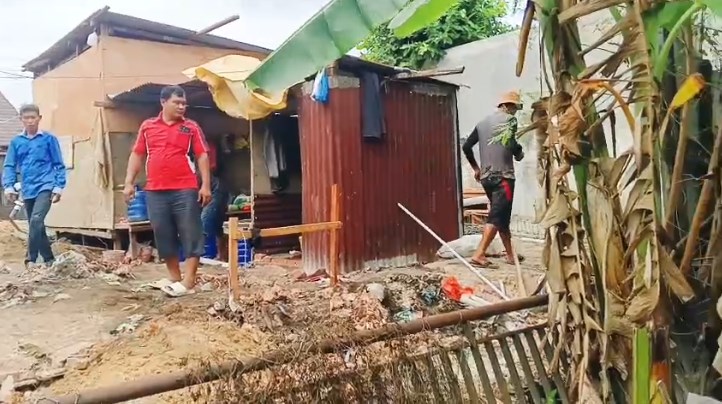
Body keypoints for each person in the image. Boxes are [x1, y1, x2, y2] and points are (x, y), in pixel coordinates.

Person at [123, 85, 212, 297]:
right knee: (163, 232)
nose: (182, 107)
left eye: (184, 104)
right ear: (163, 102)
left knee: (190, 232)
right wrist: (128, 183)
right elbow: (137, 154)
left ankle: (189, 280)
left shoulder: (190, 127)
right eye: (177, 103)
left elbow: (202, 155)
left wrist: (205, 185)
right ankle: (174, 276)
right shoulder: (148, 126)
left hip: (185, 188)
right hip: (155, 190)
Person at [461, 91, 525, 268]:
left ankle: (510, 255)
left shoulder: (482, 123)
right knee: (497, 215)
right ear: (508, 106)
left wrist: (476, 168)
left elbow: (466, 147)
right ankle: (479, 254)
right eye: (514, 107)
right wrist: (519, 153)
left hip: (486, 177)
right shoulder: (510, 120)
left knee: (502, 215)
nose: (515, 111)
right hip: (503, 177)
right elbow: (510, 143)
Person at [2, 104, 66, 267]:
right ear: (21, 119)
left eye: (33, 117)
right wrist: (9, 186)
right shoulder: (16, 142)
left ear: (39, 118)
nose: (30, 121)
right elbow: (9, 165)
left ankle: (30, 259)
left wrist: (58, 187)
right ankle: (49, 259)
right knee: (36, 225)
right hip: (28, 188)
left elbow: (59, 165)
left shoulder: (49, 139)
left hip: (46, 185)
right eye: (26, 118)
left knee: (36, 220)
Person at [200, 135, 230, 260]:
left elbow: (212, 167)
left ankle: (198, 256)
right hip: (204, 190)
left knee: (205, 220)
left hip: (216, 188)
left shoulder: (207, 146)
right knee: (217, 223)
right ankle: (222, 255)